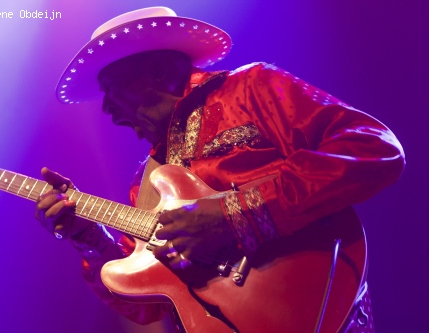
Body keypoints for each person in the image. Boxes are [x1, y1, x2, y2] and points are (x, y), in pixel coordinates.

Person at [35, 7, 404, 333]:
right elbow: (146, 306)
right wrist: (88, 237)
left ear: (158, 71)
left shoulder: (251, 89)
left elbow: (373, 148)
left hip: (319, 306)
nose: (108, 111)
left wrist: (234, 215)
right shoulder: (143, 184)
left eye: (112, 89)